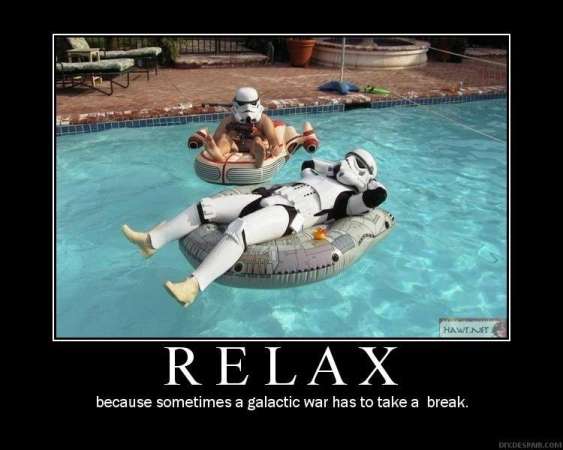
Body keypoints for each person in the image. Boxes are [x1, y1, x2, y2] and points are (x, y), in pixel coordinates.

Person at [122, 149, 388, 307]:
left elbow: (378, 196)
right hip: (267, 197)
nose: (348, 163)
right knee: (206, 207)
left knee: (241, 229)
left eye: (357, 163)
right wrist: (334, 167)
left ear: (367, 174)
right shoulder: (318, 175)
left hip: (288, 215)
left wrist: (364, 182)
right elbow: (308, 163)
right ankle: (151, 241)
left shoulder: (348, 201)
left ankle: (193, 286)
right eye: (349, 157)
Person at [203, 87, 284, 168]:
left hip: (253, 145)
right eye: (243, 104)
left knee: (257, 140)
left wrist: (273, 147)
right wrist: (229, 133)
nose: (247, 108)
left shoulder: (263, 120)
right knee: (224, 138)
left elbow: (273, 140)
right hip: (235, 146)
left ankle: (259, 157)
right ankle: (217, 153)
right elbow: (217, 137)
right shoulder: (229, 120)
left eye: (251, 104)